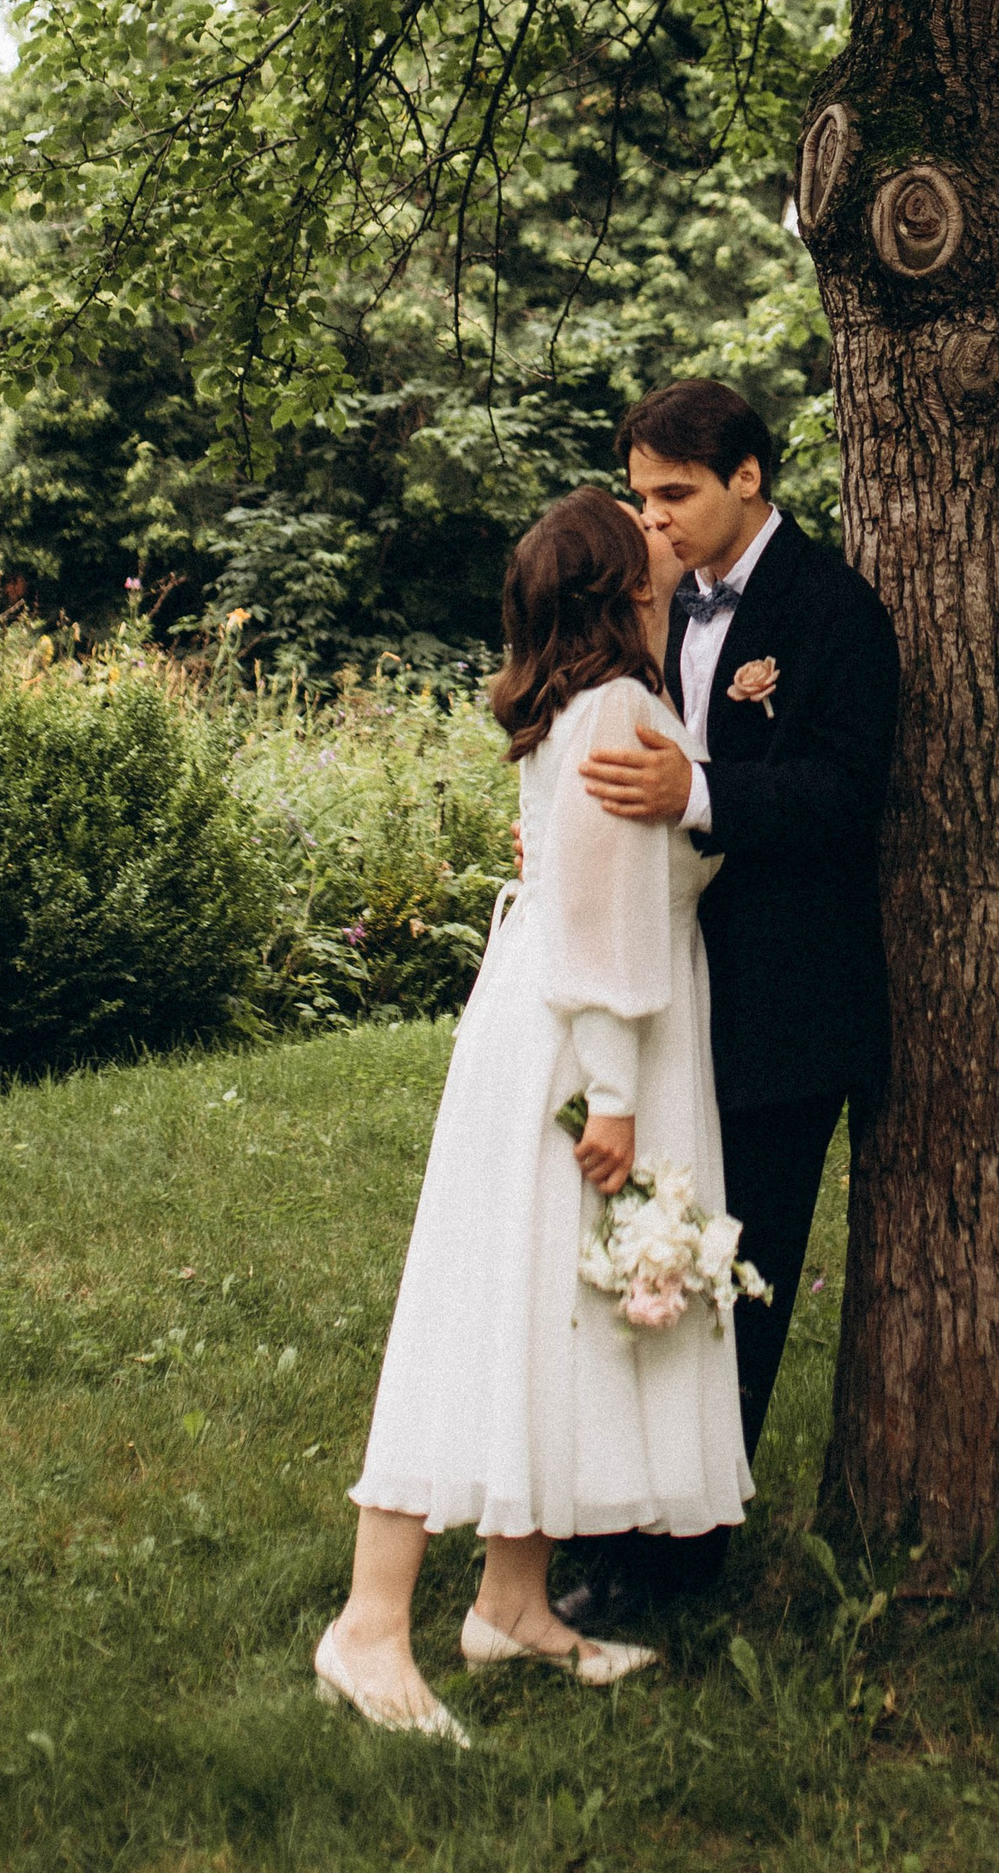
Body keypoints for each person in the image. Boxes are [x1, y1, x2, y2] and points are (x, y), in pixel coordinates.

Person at [312, 488, 751, 1736]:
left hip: (574, 1024)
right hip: (583, 1044)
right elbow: (599, 917)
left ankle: (513, 1603)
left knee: (552, 1314)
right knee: (487, 1312)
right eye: (646, 525)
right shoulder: (616, 707)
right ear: (621, 585)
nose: (666, 532)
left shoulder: (582, 701)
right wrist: (611, 1093)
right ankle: (367, 1625)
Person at [555, 375, 898, 1634]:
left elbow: (842, 797)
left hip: (784, 1004)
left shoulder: (833, 610)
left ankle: (684, 1553)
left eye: (675, 493)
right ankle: (612, 1518)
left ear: (749, 475)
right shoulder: (648, 604)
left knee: (732, 1278)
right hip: (667, 989)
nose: (653, 520)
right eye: (640, 495)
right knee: (640, 1259)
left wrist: (694, 794)